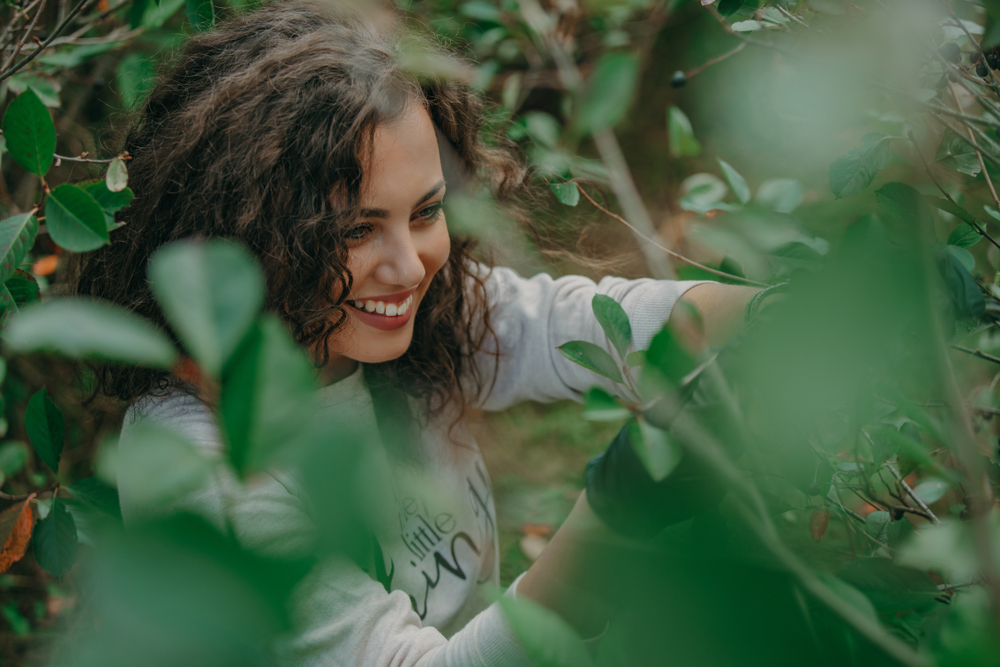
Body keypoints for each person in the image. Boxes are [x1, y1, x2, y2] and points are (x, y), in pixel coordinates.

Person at [72, 1, 760, 665]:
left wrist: (789, 315)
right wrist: (612, 517)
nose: (408, 267)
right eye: (356, 230)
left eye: (426, 212)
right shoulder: (201, 456)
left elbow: (579, 323)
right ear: (249, 230)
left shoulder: (416, 314)